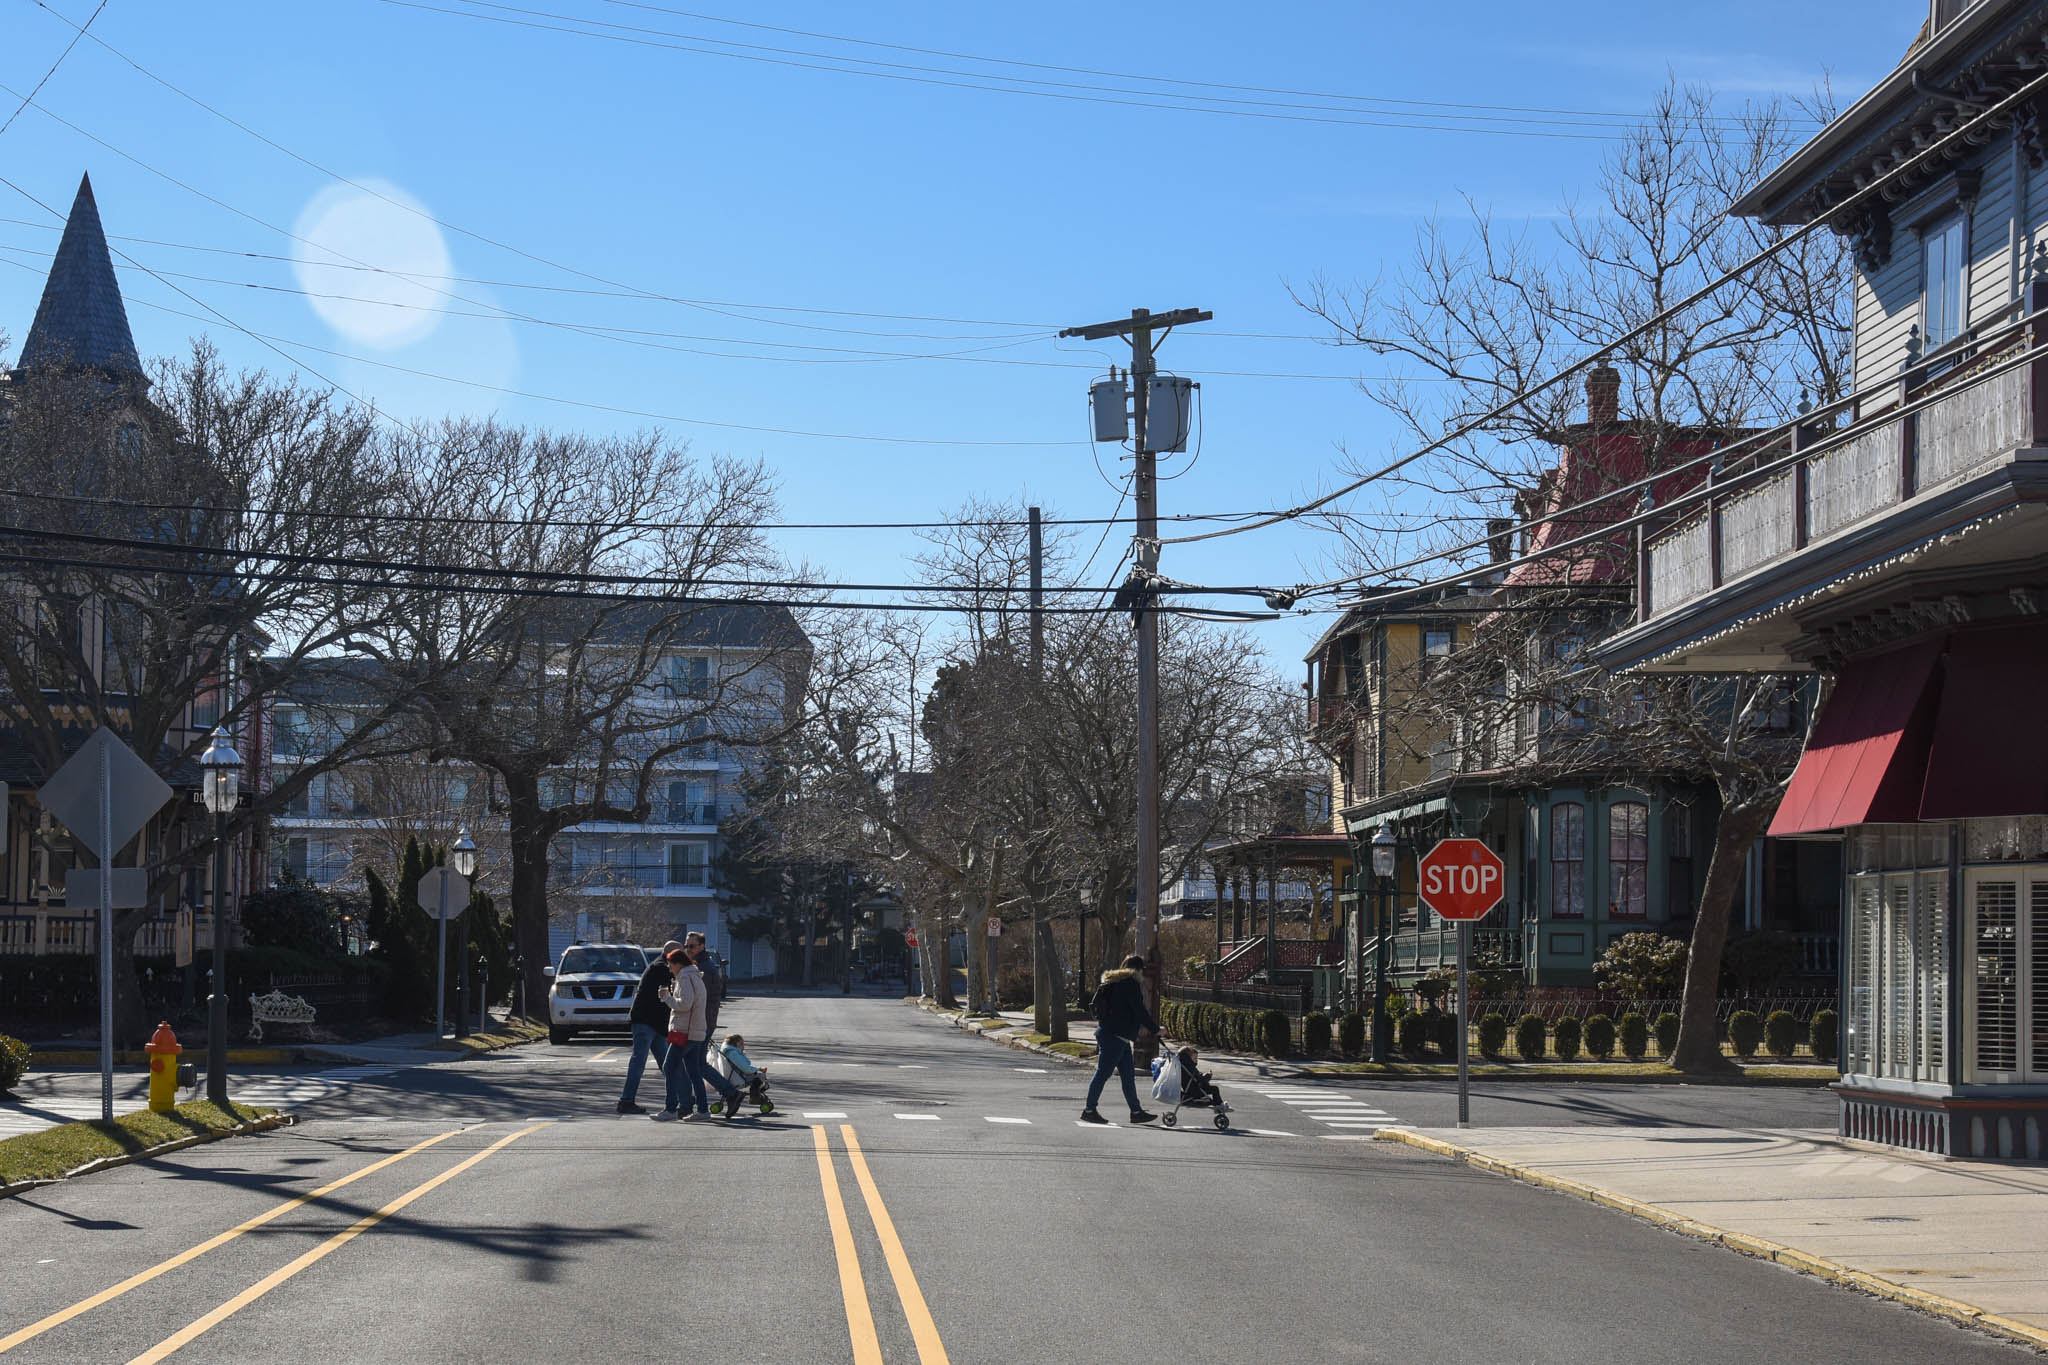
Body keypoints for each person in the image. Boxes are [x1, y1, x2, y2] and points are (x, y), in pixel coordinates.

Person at [1082, 954, 1158, 1126]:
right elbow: (1139, 1011)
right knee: (1103, 1073)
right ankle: (1089, 1110)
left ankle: (1136, 1111)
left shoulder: (1114, 982)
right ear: (1138, 969)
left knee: (1128, 1076)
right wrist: (1156, 1029)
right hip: (1115, 1036)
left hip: (1115, 1034)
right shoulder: (1130, 984)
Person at [617, 940, 682, 1115]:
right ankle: (626, 1100)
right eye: (680, 954)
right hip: (646, 1022)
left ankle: (682, 1098)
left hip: (654, 1023)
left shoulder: (660, 967)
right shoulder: (661, 968)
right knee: (639, 1061)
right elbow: (668, 997)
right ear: (671, 954)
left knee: (666, 1063)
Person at [683, 934, 743, 1118]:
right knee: (696, 1063)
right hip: (701, 1022)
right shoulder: (697, 965)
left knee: (695, 1063)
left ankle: (728, 1093)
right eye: (686, 945)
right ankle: (722, 1094)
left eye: (692, 945)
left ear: (702, 946)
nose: (688, 949)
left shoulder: (705, 968)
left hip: (703, 1022)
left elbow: (699, 998)